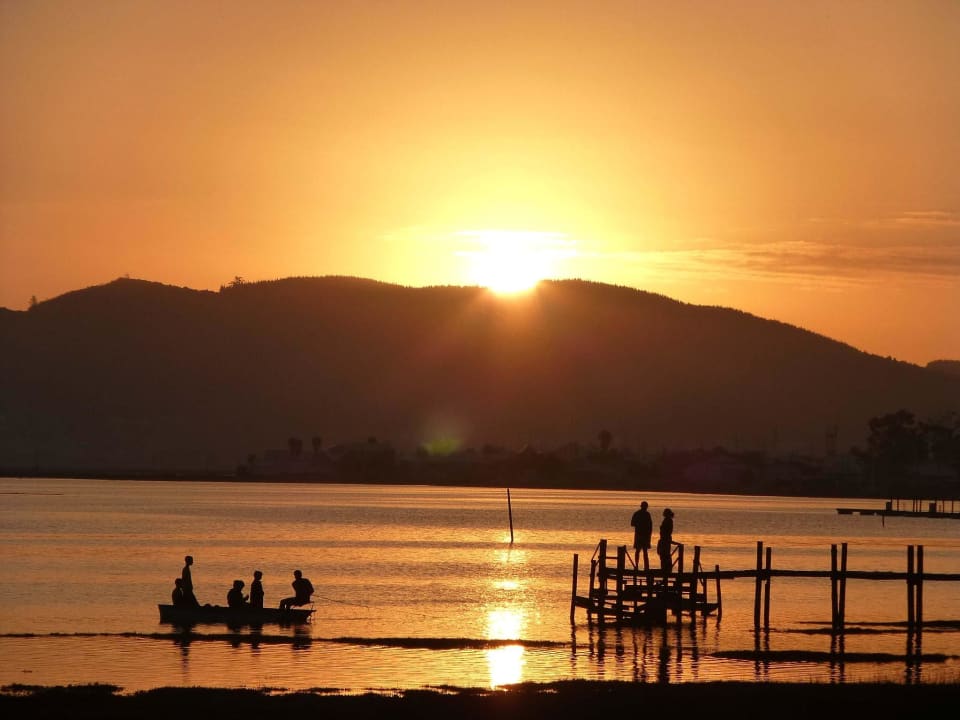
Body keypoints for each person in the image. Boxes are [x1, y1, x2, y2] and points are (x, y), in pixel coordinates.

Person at [630, 500, 653, 570]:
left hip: (641, 535)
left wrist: (639, 524)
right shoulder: (646, 514)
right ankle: (644, 567)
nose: (645, 508)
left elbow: (632, 523)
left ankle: (640, 566)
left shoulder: (638, 514)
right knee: (642, 551)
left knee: (639, 551)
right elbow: (632, 523)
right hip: (642, 535)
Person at [657, 508, 675, 580]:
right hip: (665, 539)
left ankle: (666, 569)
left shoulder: (668, 520)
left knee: (665, 555)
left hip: (665, 540)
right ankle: (666, 569)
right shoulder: (668, 520)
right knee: (664, 555)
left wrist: (662, 529)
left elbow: (667, 531)